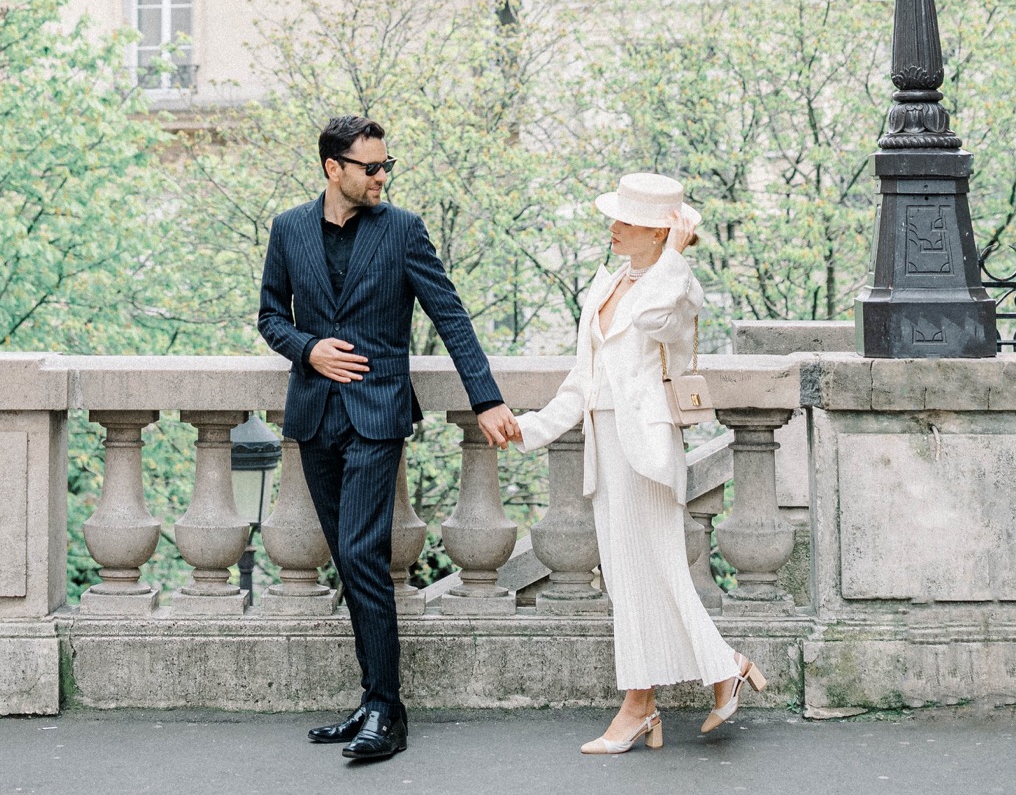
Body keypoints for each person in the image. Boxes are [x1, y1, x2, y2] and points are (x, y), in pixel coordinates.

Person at [258, 114, 517, 765]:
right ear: (332, 169)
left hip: (377, 417)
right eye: (370, 167)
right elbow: (268, 315)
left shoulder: (402, 231)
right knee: (349, 562)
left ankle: (386, 710)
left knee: (362, 552)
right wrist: (308, 347)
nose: (382, 176)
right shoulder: (289, 229)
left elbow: (450, 316)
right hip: (314, 415)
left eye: (386, 165)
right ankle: (375, 698)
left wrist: (486, 398)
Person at [510, 171, 766, 756]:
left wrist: (674, 257)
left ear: (657, 232)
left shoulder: (676, 290)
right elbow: (583, 383)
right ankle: (682, 687)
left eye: (626, 221)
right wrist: (528, 429)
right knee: (629, 580)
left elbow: (654, 324)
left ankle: (658, 698)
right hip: (608, 447)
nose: (613, 227)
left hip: (646, 450)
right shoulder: (608, 285)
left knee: (657, 573)